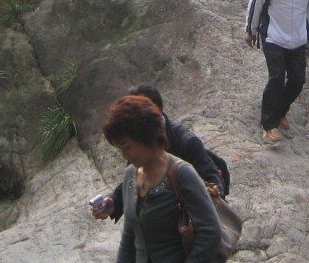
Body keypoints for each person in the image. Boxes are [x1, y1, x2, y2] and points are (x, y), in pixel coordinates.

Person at [104, 95, 221, 263]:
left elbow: (211, 233)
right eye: (120, 149)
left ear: (146, 137)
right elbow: (129, 239)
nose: (125, 155)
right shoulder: (131, 175)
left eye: (128, 147)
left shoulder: (182, 173)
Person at [92, 85, 224, 224]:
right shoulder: (137, 141)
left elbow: (215, 185)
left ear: (156, 113)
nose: (125, 155)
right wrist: (115, 201)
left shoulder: (186, 143)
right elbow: (136, 177)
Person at [244, 0, 309, 143]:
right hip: (274, 37)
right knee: (276, 78)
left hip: (298, 41)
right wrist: (250, 30)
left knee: (298, 80)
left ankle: (281, 111)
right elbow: (256, 3)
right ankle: (269, 124)